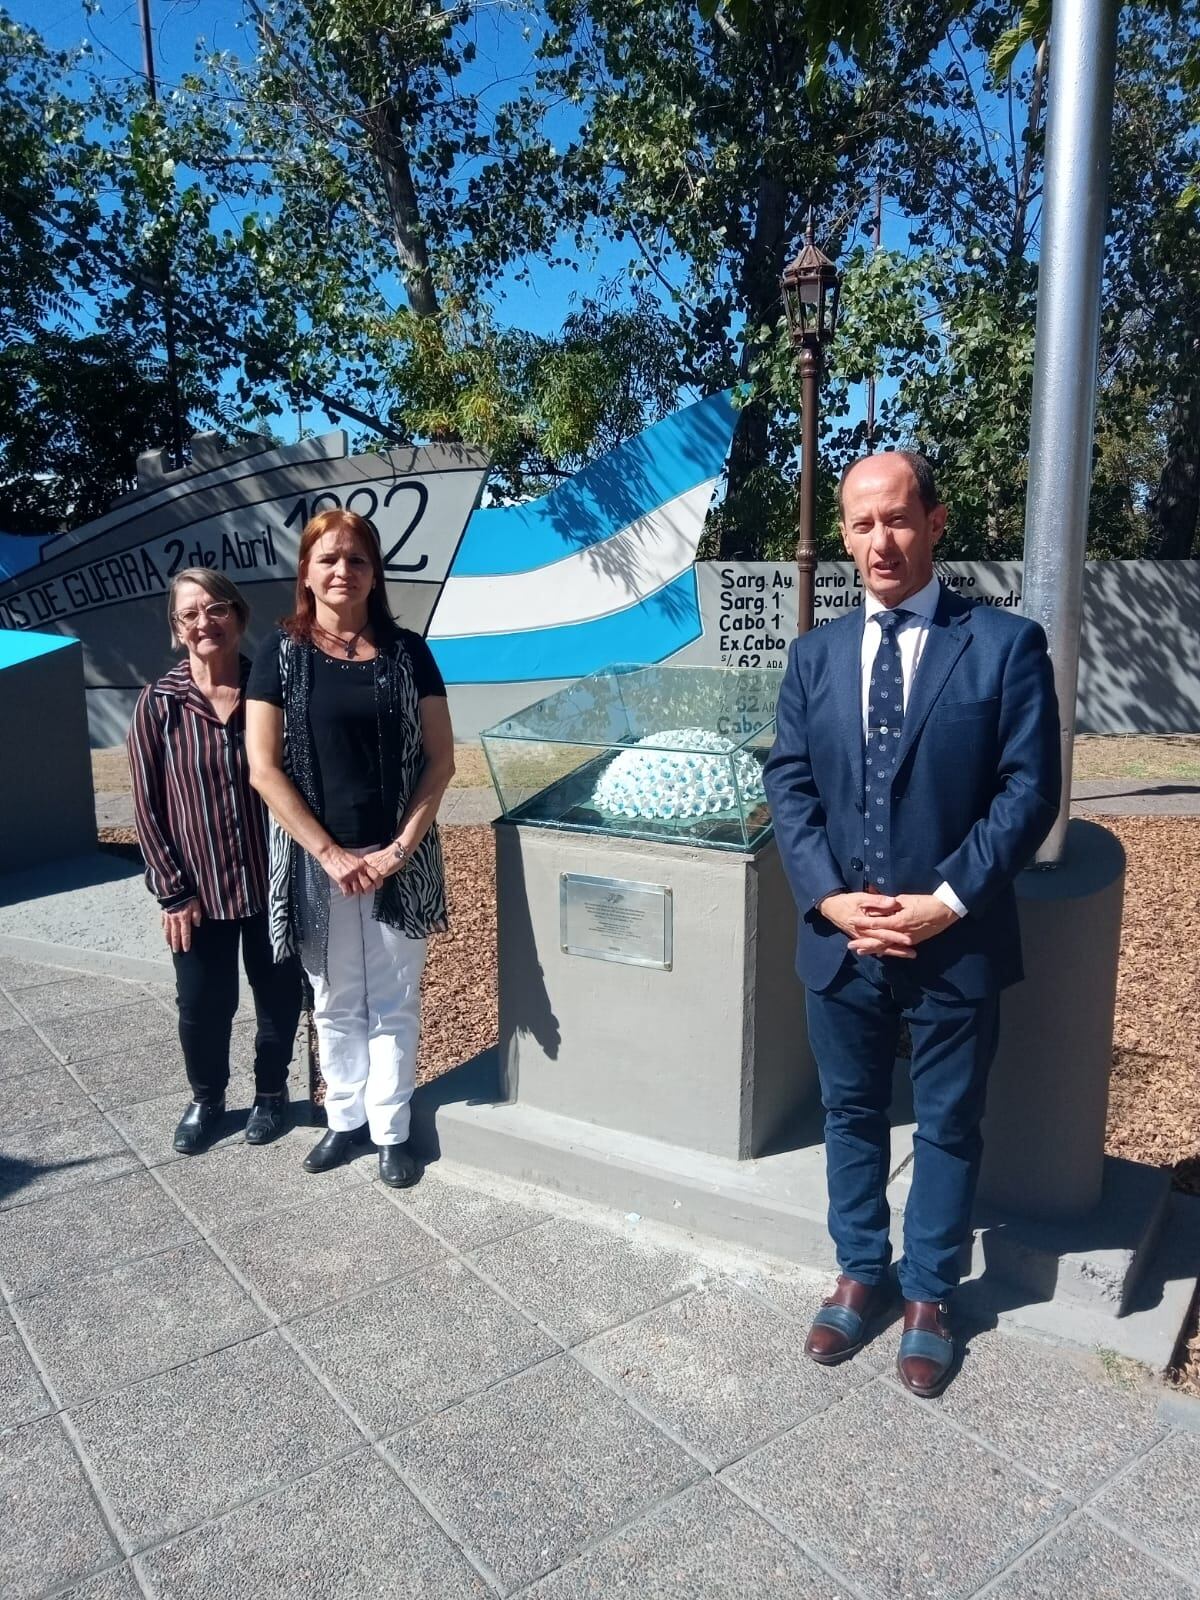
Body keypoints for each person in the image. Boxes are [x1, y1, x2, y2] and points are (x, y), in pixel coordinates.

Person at [762, 451, 1060, 1397]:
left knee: (947, 1121)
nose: (879, 542)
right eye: (860, 525)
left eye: (896, 520)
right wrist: (826, 894)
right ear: (844, 535)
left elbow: (1028, 789)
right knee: (849, 1112)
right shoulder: (813, 657)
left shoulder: (1005, 646)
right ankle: (862, 1270)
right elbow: (789, 782)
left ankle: (931, 1293)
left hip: (954, 940)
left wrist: (946, 903)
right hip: (842, 939)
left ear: (935, 521)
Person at [245, 509, 453, 1189]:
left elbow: (441, 761)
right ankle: (345, 1121)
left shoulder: (408, 651)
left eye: (357, 560)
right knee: (334, 997)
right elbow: (263, 767)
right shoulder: (281, 653)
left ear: (375, 573)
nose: (343, 571)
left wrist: (398, 849)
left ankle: (391, 1129)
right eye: (328, 559)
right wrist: (330, 853)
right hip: (317, 861)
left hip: (400, 857)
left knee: (395, 997)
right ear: (306, 571)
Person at [128, 570, 303, 1154]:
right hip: (196, 895)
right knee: (203, 1005)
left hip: (270, 884)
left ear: (239, 615)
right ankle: (207, 1097)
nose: (205, 623)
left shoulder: (268, 690)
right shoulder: (160, 704)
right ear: (177, 629)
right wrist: (172, 892)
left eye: (216, 609)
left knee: (278, 996)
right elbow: (147, 805)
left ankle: (272, 1095)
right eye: (190, 614)